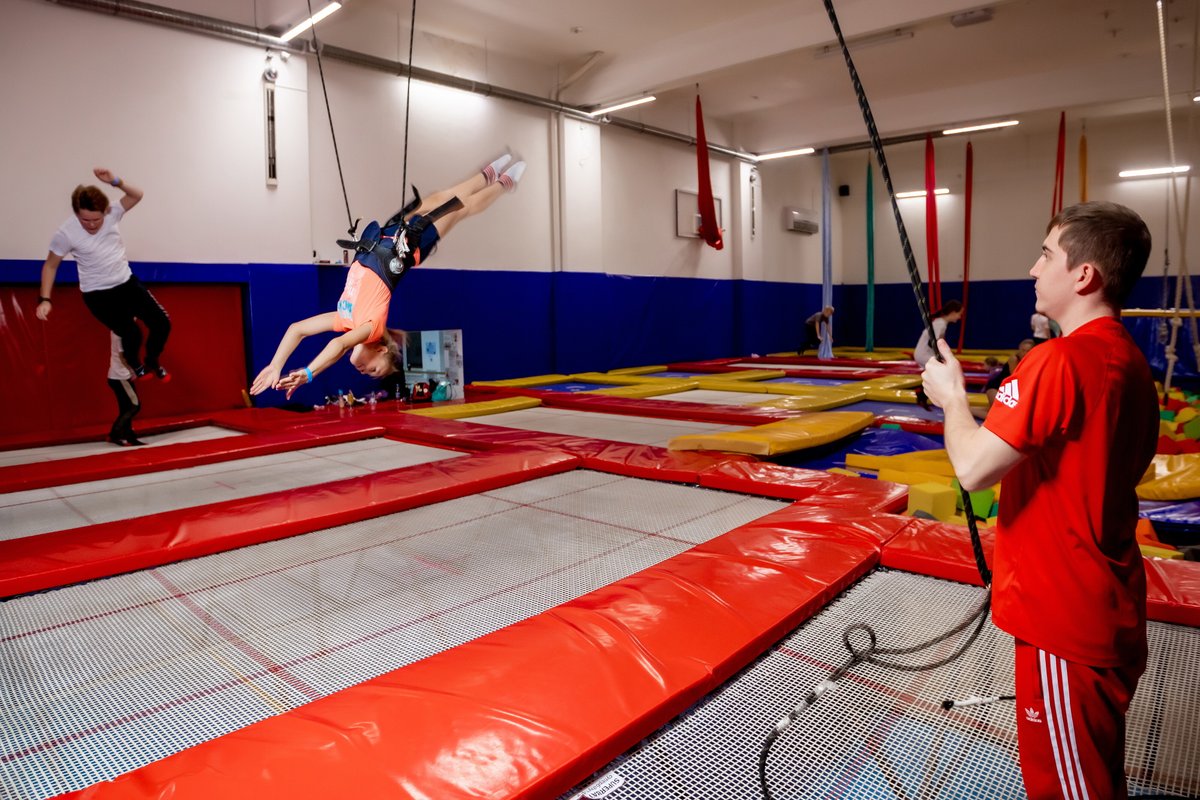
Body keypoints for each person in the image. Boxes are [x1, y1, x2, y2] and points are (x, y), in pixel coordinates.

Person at [921, 201, 1157, 800]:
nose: (1032, 268)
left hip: (1063, 619)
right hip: (1104, 601)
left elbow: (973, 469)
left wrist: (952, 398)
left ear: (1084, 275)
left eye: (1046, 255)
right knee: (1093, 774)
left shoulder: (1058, 361)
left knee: (1067, 788)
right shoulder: (1128, 361)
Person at [251, 154, 525, 399]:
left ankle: (488, 174)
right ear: (381, 350)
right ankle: (503, 183)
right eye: (374, 370)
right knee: (460, 207)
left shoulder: (343, 319)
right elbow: (338, 346)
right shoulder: (371, 328)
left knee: (438, 198)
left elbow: (297, 329)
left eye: (369, 373)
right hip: (408, 247)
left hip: (384, 238)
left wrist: (276, 365)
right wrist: (309, 373)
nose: (364, 372)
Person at [37, 168, 172, 380]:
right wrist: (45, 299)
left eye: (96, 220)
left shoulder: (113, 213)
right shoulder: (65, 233)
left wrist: (116, 181)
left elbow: (137, 195)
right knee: (132, 332)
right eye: (85, 220)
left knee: (162, 323)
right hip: (98, 294)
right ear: (76, 214)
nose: (91, 225)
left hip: (126, 283)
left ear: (105, 211)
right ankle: (135, 364)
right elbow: (50, 266)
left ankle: (152, 361)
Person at [106, 332, 145, 446]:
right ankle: (115, 434)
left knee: (126, 408)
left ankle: (128, 436)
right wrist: (133, 370)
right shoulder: (120, 334)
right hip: (120, 377)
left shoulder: (116, 330)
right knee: (134, 406)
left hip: (117, 376)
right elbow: (122, 357)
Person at [912, 300, 963, 367]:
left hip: (923, 354)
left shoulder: (940, 322)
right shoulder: (940, 324)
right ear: (953, 313)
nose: (959, 317)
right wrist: (945, 356)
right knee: (947, 367)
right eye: (959, 314)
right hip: (924, 355)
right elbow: (932, 343)